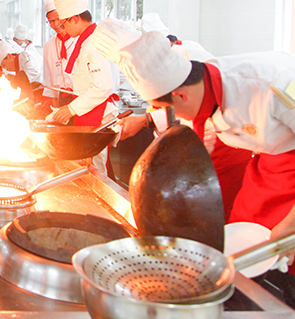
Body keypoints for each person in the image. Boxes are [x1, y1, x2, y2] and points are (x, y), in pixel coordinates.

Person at [111, 31, 295, 281]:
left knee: (283, 247)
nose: (172, 116)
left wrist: (291, 225)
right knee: (242, 241)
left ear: (181, 95)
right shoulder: (202, 86)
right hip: (267, 166)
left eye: (165, 109)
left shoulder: (275, 84)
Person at [93, 18, 251, 219]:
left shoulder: (186, 57)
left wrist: (146, 120)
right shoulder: (157, 71)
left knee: (221, 210)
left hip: (221, 147)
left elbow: (190, 105)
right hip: (195, 146)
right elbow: (179, 109)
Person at [51, 0, 120, 174]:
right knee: (88, 164)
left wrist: (71, 109)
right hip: (89, 110)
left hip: (98, 113)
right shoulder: (87, 41)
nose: (63, 28)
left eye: (63, 23)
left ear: (74, 19)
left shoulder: (92, 44)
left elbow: (103, 87)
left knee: (95, 168)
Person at [40, 0, 75, 108]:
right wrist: (53, 106)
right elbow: (48, 78)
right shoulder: (49, 45)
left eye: (57, 19)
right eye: (50, 21)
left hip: (81, 97)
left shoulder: (80, 39)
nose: (55, 24)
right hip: (61, 98)